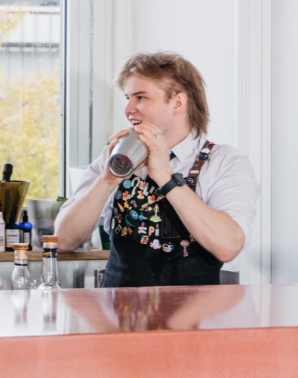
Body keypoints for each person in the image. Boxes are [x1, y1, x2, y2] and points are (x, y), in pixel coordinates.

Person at [55, 52, 260, 288]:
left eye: (140, 97)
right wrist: (107, 180)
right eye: (128, 97)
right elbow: (63, 240)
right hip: (119, 317)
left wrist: (165, 176)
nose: (128, 109)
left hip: (194, 320)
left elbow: (228, 246)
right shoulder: (114, 157)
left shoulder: (225, 162)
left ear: (178, 103)